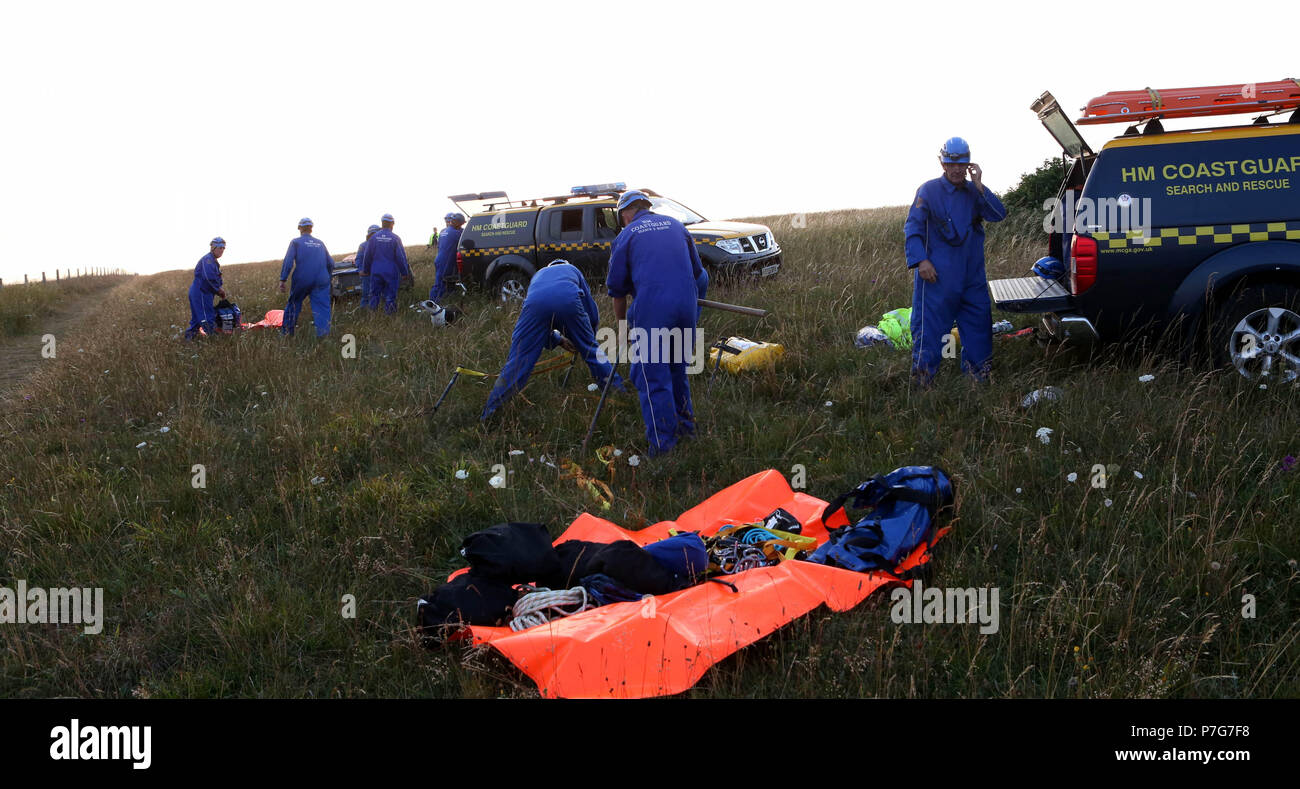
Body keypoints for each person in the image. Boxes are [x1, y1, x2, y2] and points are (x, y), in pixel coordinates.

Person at [606, 189, 704, 456]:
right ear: (647, 207)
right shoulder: (676, 226)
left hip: (654, 311)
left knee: (651, 377)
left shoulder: (626, 235)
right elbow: (699, 274)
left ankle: (663, 447)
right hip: (685, 308)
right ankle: (687, 430)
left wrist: (623, 329)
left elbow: (617, 292)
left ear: (625, 213)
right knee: (677, 370)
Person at [904, 137, 1007, 385]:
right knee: (929, 331)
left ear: (969, 164)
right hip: (937, 277)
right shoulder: (928, 191)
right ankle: (922, 383)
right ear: (942, 163)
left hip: (971, 277)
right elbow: (912, 228)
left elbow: (998, 214)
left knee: (978, 328)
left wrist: (980, 185)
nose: (957, 169)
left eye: (962, 163)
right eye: (951, 163)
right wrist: (920, 261)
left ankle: (977, 380)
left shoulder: (974, 191)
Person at [480, 259, 623, 421]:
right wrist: (587, 337)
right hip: (567, 298)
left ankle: (490, 412)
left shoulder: (538, 275)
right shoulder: (572, 269)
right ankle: (618, 393)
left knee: (518, 359)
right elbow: (589, 308)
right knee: (592, 352)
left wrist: (557, 340)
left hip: (534, 305)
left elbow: (538, 319)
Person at [279, 217, 334, 337]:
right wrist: (328, 277)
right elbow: (330, 263)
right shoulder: (320, 243)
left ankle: (287, 333)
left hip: (302, 279)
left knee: (294, 304)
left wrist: (283, 279)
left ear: (300, 228)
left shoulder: (296, 242)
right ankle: (323, 335)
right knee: (322, 308)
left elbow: (288, 261)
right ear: (311, 229)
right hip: (321, 279)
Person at [359, 212, 411, 312]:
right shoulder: (395, 238)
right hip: (391, 272)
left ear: (382, 223)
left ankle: (373, 316)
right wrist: (404, 273)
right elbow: (401, 258)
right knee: (390, 296)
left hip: (376, 272)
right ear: (392, 224)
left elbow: (367, 256)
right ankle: (389, 318)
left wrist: (365, 270)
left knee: (374, 295)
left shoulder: (373, 238)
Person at [185, 237, 228, 340]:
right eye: (219, 247)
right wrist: (218, 290)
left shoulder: (213, 261)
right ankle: (213, 340)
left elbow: (215, 279)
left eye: (223, 248)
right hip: (201, 292)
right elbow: (208, 279)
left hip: (202, 292)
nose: (222, 250)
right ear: (213, 248)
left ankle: (188, 340)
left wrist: (219, 288)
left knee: (196, 319)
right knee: (207, 316)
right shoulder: (208, 260)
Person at [429, 212, 464, 303]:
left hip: (440, 259)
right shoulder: (456, 233)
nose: (461, 226)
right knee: (440, 283)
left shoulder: (443, 231)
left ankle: (448, 300)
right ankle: (433, 304)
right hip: (446, 261)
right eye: (460, 224)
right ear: (456, 222)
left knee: (447, 282)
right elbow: (464, 237)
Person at [356, 224, 379, 307]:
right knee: (366, 295)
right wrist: (360, 270)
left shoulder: (383, 244)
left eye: (375, 233)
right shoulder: (363, 245)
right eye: (372, 234)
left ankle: (379, 312)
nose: (374, 235)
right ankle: (364, 312)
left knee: (382, 294)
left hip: (380, 274)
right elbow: (359, 259)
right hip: (367, 275)